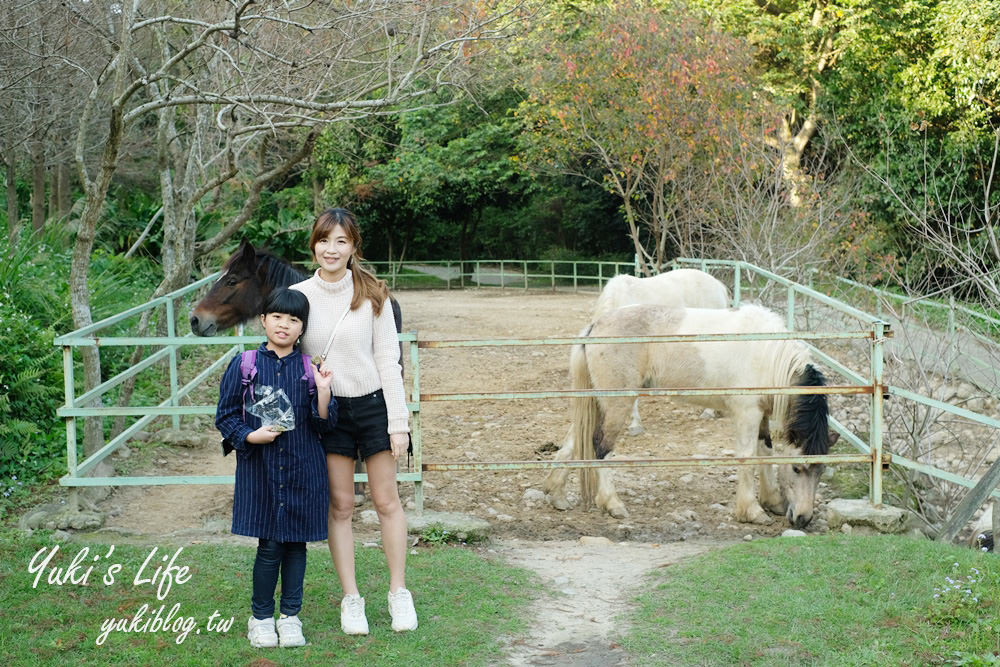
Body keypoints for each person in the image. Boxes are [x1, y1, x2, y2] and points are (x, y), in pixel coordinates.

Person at [291, 207, 417, 635]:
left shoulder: (373, 293)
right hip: (329, 412)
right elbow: (287, 352)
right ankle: (352, 599)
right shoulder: (298, 296)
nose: (332, 249)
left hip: (373, 405)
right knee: (341, 505)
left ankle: (399, 593)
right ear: (314, 244)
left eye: (341, 241)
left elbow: (388, 358)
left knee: (387, 501)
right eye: (325, 240)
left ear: (353, 247)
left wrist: (398, 421)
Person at [216, 288, 337, 648]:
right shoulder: (245, 364)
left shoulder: (309, 368)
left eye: (294, 319)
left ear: (302, 329)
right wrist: (250, 436)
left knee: (297, 547)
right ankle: (261, 618)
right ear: (264, 320)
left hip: (304, 470)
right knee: (269, 546)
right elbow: (225, 416)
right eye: (278, 317)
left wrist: (325, 391)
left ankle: (291, 618)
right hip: (262, 473)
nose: (285, 324)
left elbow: (325, 426)